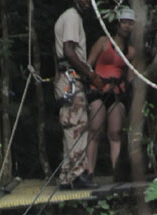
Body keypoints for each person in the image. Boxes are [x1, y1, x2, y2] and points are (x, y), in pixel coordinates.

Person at [54, 0, 105, 190]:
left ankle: (67, 176)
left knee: (71, 124)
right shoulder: (72, 17)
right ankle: (77, 175)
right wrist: (91, 75)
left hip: (67, 78)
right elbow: (69, 51)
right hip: (70, 79)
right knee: (77, 124)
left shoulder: (69, 17)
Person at [86, 7, 136, 176]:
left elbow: (130, 78)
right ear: (118, 24)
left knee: (115, 133)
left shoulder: (131, 51)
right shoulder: (103, 42)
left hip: (117, 94)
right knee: (94, 131)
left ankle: (117, 172)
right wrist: (100, 84)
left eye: (130, 23)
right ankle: (89, 171)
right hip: (98, 91)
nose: (127, 26)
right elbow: (88, 65)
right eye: (124, 22)